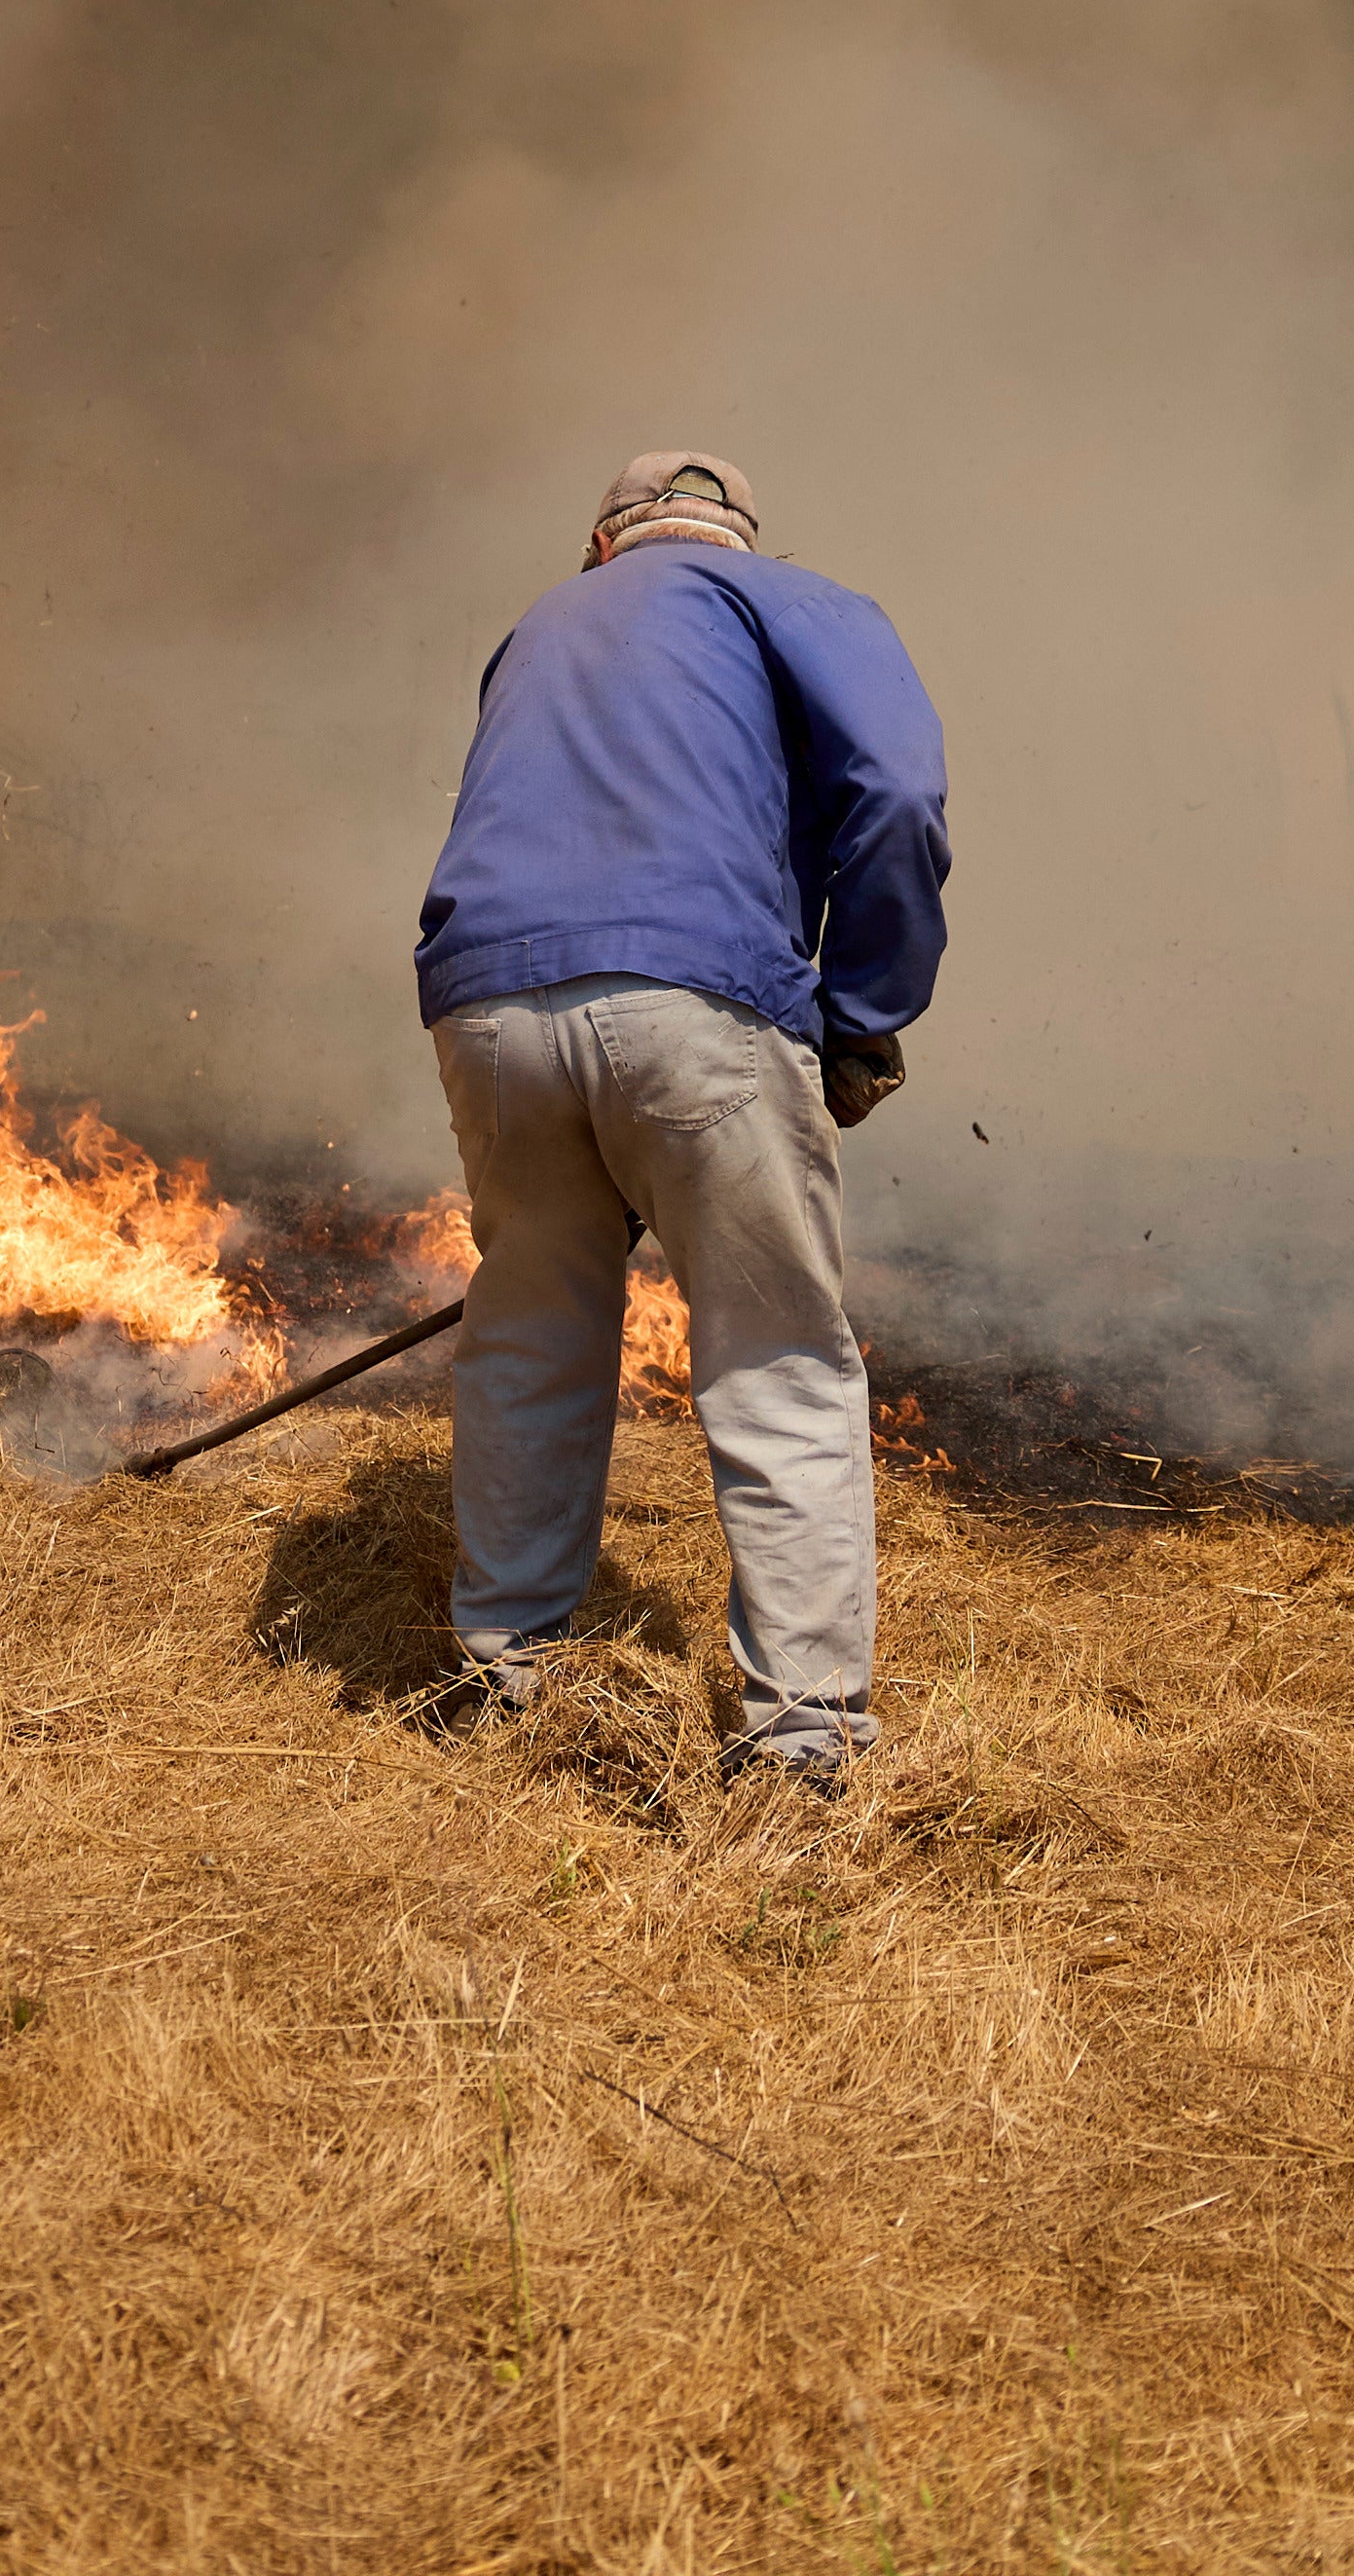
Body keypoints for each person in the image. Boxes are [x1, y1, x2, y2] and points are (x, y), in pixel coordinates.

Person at [410, 452, 947, 1796]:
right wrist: (866, 1014)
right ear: (735, 537)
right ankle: (803, 1740)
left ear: (604, 545)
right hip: (695, 998)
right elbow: (896, 793)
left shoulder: (537, 626)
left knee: (533, 1336)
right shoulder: (785, 601)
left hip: (485, 1005)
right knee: (778, 1361)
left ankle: (504, 1675)